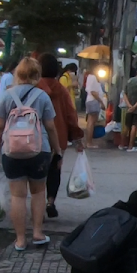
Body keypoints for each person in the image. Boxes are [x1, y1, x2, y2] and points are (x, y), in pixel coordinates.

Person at [0, 57, 61, 251]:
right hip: (39, 150)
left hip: (11, 151)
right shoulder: (43, 96)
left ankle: (20, 240)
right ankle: (37, 233)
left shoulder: (6, 95)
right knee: (38, 193)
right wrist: (57, 150)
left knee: (17, 196)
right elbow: (51, 127)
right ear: (37, 75)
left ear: (18, 74)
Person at [38, 54, 84, 219]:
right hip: (58, 136)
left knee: (37, 175)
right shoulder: (62, 90)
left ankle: (38, 208)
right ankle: (50, 202)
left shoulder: (34, 88)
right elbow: (71, 115)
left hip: (36, 136)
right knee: (54, 170)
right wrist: (77, 138)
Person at [83, 65, 107, 150]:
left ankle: (88, 142)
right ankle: (89, 142)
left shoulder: (90, 77)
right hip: (94, 101)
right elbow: (93, 92)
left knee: (90, 122)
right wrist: (101, 102)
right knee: (91, 122)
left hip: (91, 101)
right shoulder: (93, 78)